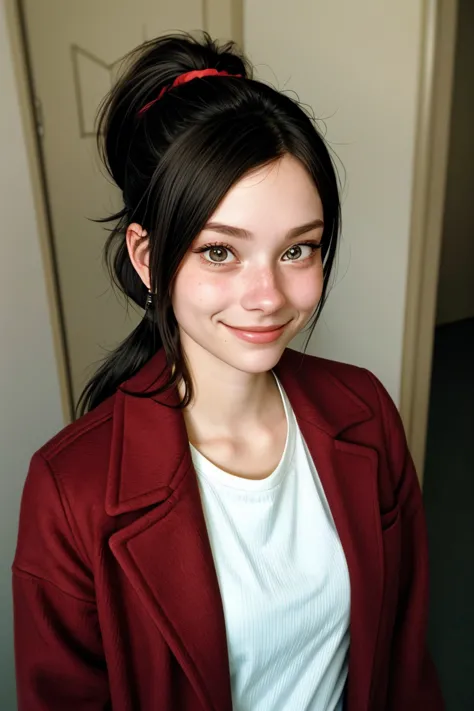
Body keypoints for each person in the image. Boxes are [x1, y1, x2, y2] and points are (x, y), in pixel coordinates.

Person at [12, 32, 444, 711]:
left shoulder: (366, 411)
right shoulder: (70, 490)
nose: (267, 295)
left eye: (297, 248)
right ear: (148, 258)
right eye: (220, 252)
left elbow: (404, 659)